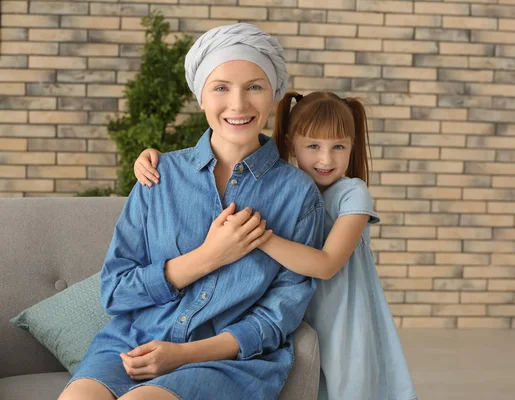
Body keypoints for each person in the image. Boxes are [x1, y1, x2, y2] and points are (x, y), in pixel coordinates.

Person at [58, 23, 325, 400]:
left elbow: (278, 316)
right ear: (200, 96)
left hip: (228, 361)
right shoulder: (158, 176)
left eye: (254, 87)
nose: (238, 104)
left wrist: (183, 354)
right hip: (134, 343)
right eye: (221, 87)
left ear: (274, 97)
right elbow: (115, 292)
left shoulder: (297, 195)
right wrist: (208, 257)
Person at [134, 91, 418, 400]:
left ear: (352, 147)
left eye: (338, 146)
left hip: (342, 314)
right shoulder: (288, 189)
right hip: (296, 310)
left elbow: (326, 265)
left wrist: (259, 236)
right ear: (292, 143)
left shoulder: (353, 194)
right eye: (313, 146)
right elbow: (230, 148)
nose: (326, 159)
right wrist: (150, 156)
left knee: (351, 386)